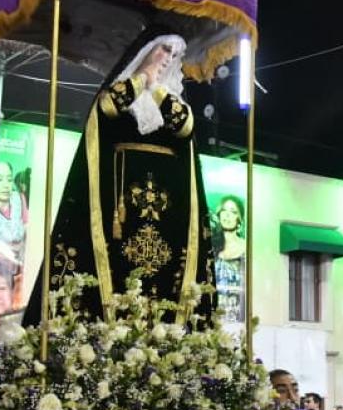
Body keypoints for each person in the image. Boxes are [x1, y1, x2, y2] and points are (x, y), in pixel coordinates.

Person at [21, 33, 212, 326]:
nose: (167, 59)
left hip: (168, 219)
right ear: (146, 50)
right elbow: (108, 107)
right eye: (162, 50)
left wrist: (157, 89)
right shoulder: (120, 92)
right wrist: (142, 78)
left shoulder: (172, 101)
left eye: (173, 55)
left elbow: (184, 126)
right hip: (118, 210)